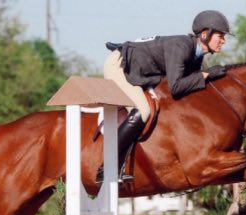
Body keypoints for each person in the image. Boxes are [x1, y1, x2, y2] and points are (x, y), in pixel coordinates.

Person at [96, 10, 233, 183]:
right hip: (120, 66)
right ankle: (107, 168)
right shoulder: (182, 47)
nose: (224, 41)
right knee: (143, 110)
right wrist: (206, 75)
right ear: (205, 34)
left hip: (138, 72)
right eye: (220, 36)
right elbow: (175, 87)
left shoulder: (195, 56)